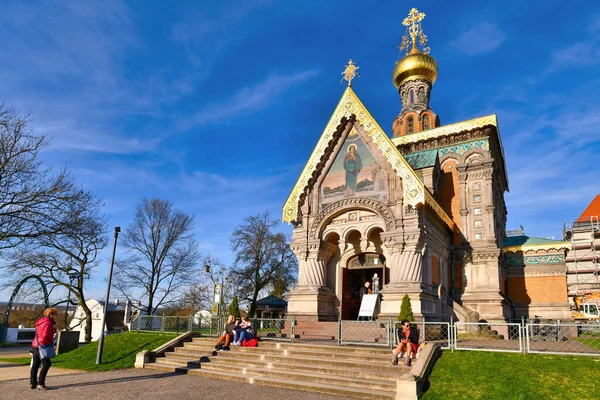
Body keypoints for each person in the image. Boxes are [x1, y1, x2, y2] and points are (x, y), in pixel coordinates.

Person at [30, 307, 57, 390]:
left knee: (35, 364)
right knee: (46, 364)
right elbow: (45, 335)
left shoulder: (40, 322)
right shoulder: (48, 323)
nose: (56, 316)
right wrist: (50, 342)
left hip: (35, 344)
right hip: (42, 345)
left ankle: (33, 383)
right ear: (51, 315)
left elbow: (39, 333)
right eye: (55, 314)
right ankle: (41, 383)